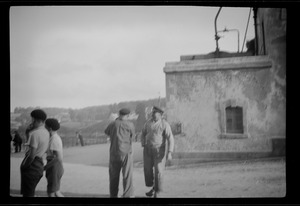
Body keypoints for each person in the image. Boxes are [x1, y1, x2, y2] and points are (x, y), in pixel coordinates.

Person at [141, 106, 175, 198]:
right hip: (148, 150)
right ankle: (153, 187)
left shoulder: (165, 124)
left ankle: (156, 192)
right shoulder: (147, 123)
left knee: (158, 171)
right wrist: (143, 142)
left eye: (154, 113)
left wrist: (170, 153)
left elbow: (170, 138)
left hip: (159, 150)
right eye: (152, 113)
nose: (152, 114)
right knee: (147, 170)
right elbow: (143, 133)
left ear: (160, 114)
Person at [104, 108, 135, 198]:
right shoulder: (130, 125)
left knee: (113, 176)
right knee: (127, 176)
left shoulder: (113, 124)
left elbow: (106, 132)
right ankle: (127, 195)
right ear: (128, 115)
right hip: (126, 153)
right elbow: (132, 137)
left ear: (119, 114)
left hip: (114, 153)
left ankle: (113, 195)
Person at [20, 109, 49, 197]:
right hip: (39, 164)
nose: (31, 122)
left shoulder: (35, 134)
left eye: (32, 119)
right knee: (30, 191)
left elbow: (32, 155)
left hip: (32, 166)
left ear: (35, 120)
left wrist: (24, 166)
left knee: (28, 194)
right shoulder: (46, 132)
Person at [44, 118, 64, 197]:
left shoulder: (54, 139)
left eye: (45, 126)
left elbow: (58, 158)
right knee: (56, 192)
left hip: (54, 167)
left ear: (50, 128)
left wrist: (45, 167)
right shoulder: (53, 138)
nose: (44, 128)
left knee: (51, 192)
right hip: (55, 166)